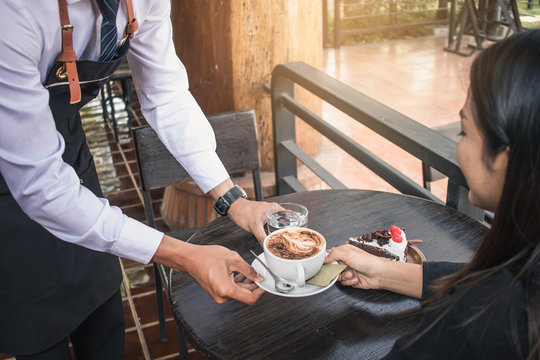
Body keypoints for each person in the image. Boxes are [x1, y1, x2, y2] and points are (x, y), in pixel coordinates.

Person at [0, 0, 270, 358]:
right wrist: (184, 255)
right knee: (39, 330)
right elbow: (42, 187)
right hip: (11, 172)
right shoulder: (14, 14)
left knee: (102, 302)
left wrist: (232, 199)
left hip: (69, 146)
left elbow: (166, 95)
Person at [325, 30, 540, 359]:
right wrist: (382, 272)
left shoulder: (479, 322)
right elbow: (471, 282)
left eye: (464, 131)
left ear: (504, 159)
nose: (459, 148)